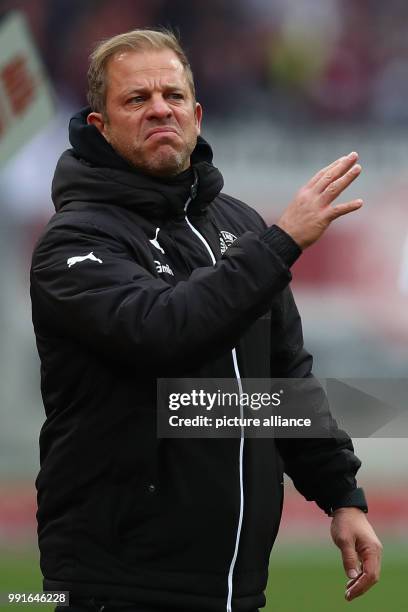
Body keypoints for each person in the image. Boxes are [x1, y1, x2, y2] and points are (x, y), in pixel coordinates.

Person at [30, 29, 382, 612]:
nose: (159, 108)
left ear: (196, 115)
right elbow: (165, 332)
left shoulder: (239, 227)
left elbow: (285, 381)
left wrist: (342, 496)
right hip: (112, 584)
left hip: (236, 587)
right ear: (101, 126)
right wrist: (279, 243)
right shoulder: (76, 240)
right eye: (136, 99)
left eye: (171, 95)